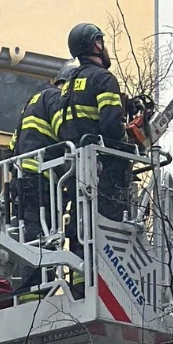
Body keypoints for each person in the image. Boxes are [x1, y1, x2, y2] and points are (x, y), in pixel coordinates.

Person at [51, 23, 134, 225]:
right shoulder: (103, 79)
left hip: (75, 167)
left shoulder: (68, 84)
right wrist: (129, 143)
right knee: (110, 222)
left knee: (80, 222)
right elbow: (111, 126)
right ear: (97, 44)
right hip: (104, 170)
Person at [11, 58, 79, 243]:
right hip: (41, 181)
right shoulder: (55, 98)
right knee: (41, 241)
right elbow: (64, 130)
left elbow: (12, 146)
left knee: (28, 237)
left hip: (22, 180)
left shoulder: (32, 102)